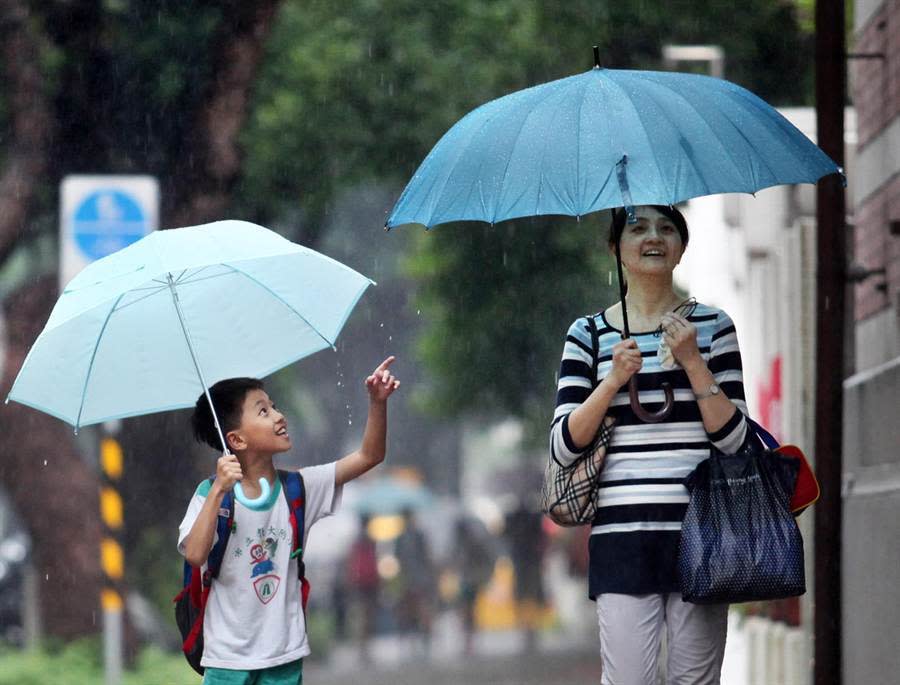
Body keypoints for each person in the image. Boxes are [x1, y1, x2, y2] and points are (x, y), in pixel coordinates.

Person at [550, 205, 749, 685]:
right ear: (615, 248)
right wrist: (612, 380)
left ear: (681, 247)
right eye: (637, 228)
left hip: (702, 534)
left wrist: (694, 363)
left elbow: (737, 441)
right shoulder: (589, 336)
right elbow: (563, 446)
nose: (652, 237)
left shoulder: (713, 327)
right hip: (622, 539)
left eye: (666, 228)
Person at [179, 357, 400, 684]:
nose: (280, 416)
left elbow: (370, 456)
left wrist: (377, 403)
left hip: (285, 659)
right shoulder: (211, 496)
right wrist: (217, 492)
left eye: (274, 406)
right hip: (226, 662)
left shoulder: (300, 489)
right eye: (264, 411)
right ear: (236, 440)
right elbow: (195, 555)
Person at [393, 508, 435, 655]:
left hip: (412, 580)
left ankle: (420, 640)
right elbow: (427, 558)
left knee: (416, 611)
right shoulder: (416, 536)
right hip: (416, 579)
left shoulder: (404, 538)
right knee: (416, 611)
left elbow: (398, 560)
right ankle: (420, 640)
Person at [345, 514, 379, 662]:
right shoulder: (371, 541)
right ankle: (365, 649)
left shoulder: (356, 541)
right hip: (369, 583)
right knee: (368, 617)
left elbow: (351, 564)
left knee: (361, 616)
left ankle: (362, 649)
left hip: (359, 583)